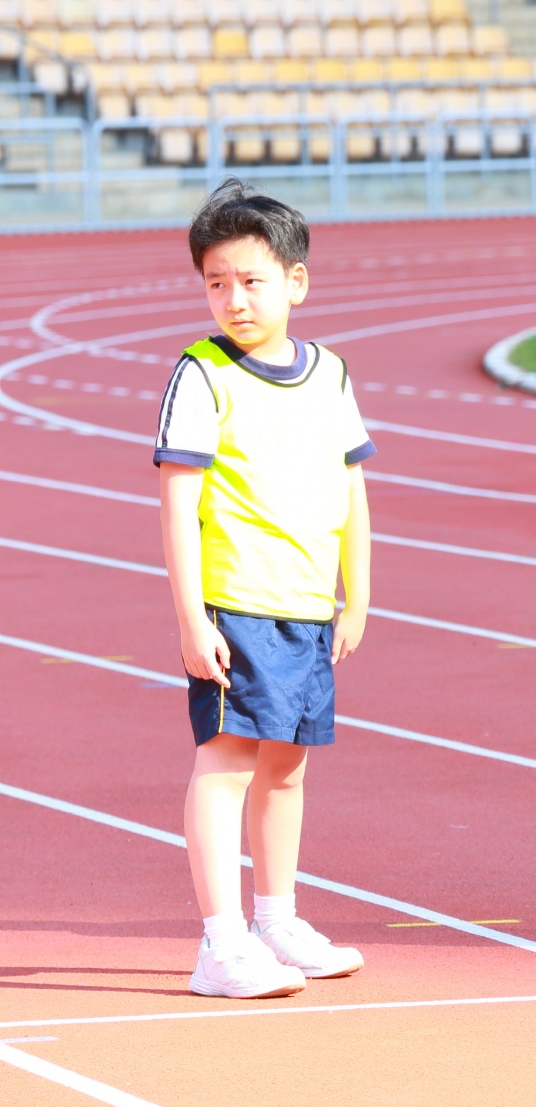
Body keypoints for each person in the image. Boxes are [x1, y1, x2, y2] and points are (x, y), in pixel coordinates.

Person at [155, 180, 374, 998]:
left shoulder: (331, 373)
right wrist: (191, 618)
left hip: (308, 605)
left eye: (251, 280)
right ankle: (222, 943)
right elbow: (178, 501)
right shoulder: (202, 374)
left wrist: (356, 596)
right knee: (225, 766)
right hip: (237, 602)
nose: (234, 299)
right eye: (216, 283)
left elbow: (351, 488)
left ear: (296, 281)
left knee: (287, 768)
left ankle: (277, 921)